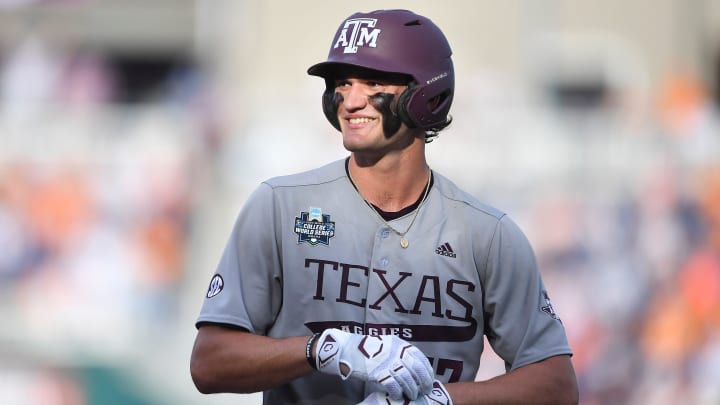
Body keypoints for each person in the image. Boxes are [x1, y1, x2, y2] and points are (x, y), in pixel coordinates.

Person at [190, 9, 579, 405]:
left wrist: (442, 400)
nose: (351, 101)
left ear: (426, 93)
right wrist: (323, 348)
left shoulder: (487, 233)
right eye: (342, 83)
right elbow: (209, 363)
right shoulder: (280, 206)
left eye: (372, 82)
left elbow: (556, 384)